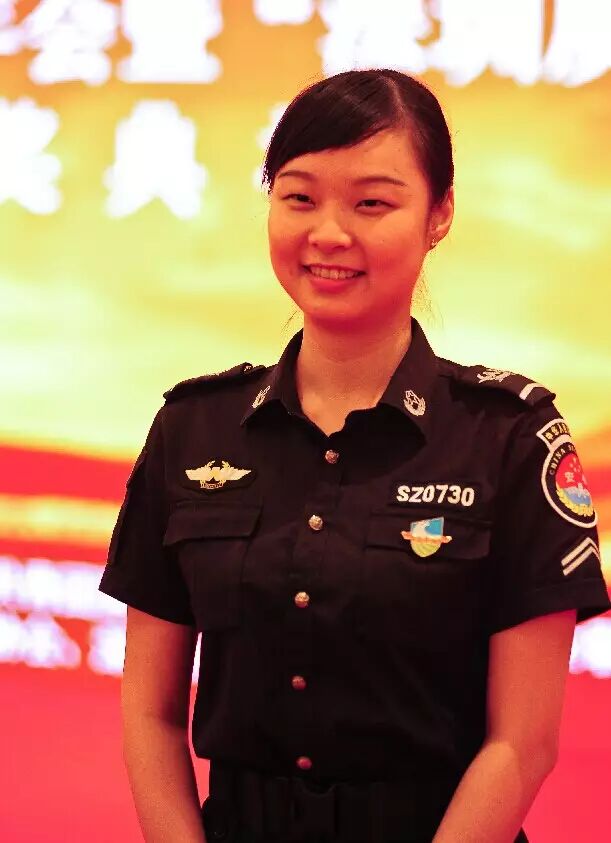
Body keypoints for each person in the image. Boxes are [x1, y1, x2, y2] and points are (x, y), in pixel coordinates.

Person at [98, 69, 611, 843]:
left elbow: (522, 742)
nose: (328, 233)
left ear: (438, 214)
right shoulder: (192, 429)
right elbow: (151, 712)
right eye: (298, 197)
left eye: (371, 203)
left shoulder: (507, 437)